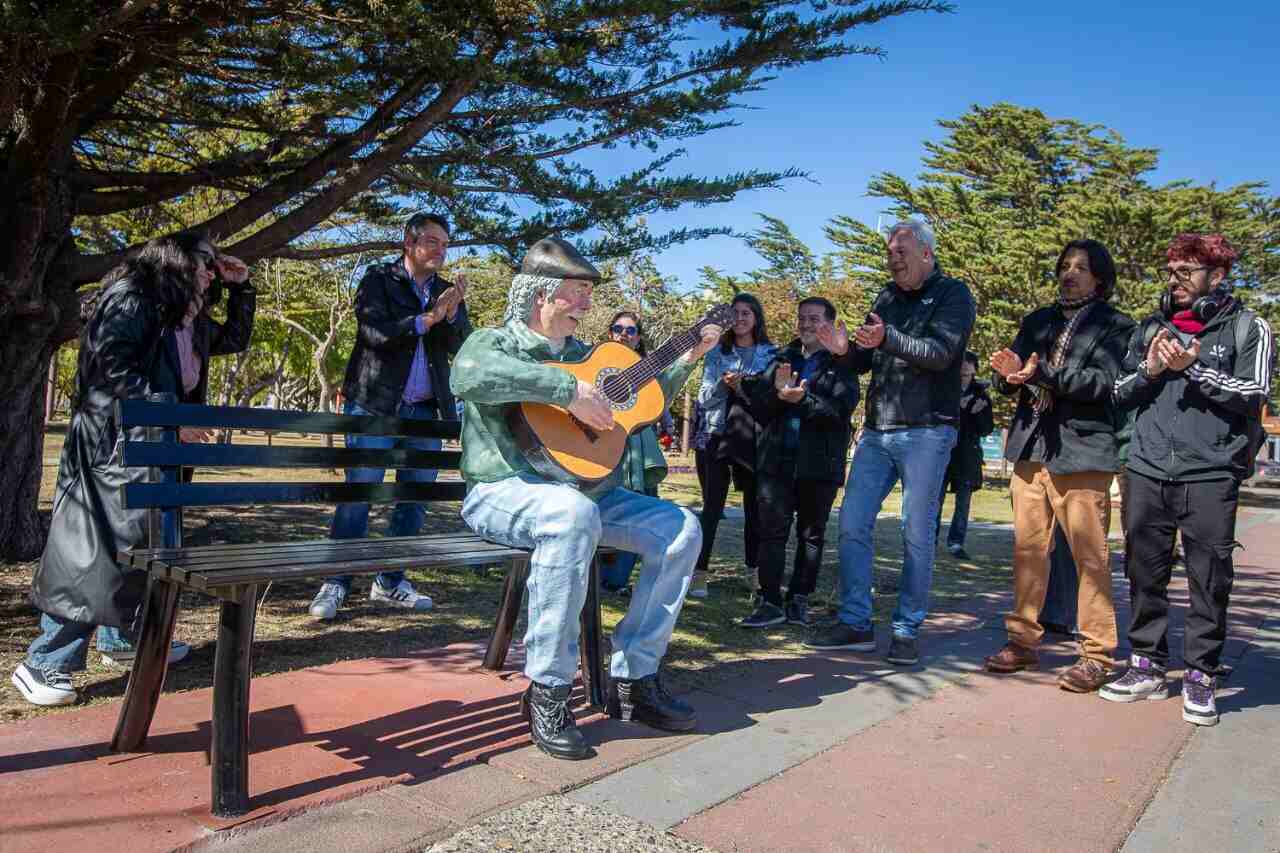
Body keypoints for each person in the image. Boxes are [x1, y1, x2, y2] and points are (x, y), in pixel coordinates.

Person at [451, 237, 720, 760]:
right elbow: (468, 375)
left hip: (585, 494)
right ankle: (548, 690)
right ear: (539, 294)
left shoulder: (586, 357)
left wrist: (686, 358)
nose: (587, 303)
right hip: (501, 489)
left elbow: (638, 400)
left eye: (587, 293)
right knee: (570, 514)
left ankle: (634, 677)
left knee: (681, 528)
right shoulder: (494, 342)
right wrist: (567, 392)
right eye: (576, 291)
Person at [13, 232, 250, 706]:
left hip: (157, 446)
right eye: (205, 261)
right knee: (91, 551)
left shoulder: (185, 314)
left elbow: (235, 338)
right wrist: (167, 415)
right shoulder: (133, 297)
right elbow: (113, 365)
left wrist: (242, 288)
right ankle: (44, 661)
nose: (212, 271)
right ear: (176, 261)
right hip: (112, 443)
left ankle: (120, 637)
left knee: (144, 545)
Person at [1102, 233, 1273, 726]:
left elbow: (1254, 392)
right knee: (1144, 571)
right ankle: (1146, 664)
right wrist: (1153, 369)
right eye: (1170, 271)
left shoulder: (1248, 327)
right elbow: (1119, 391)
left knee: (1209, 577)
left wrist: (1195, 369)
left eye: (1186, 271)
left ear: (1216, 277)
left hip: (1211, 472)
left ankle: (1201, 673)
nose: (1174, 280)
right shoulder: (1150, 328)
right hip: (1147, 467)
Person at [806, 220, 975, 667]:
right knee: (851, 523)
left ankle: (906, 629)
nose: (893, 258)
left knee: (915, 531)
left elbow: (940, 354)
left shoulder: (954, 295)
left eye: (902, 250)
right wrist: (843, 349)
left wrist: (889, 338)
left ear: (926, 254)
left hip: (928, 430)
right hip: (878, 431)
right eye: (889, 251)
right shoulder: (885, 297)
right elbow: (864, 358)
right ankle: (856, 623)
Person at [982, 239, 1135, 693]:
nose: (1070, 273)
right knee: (1028, 550)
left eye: (1081, 268)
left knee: (1090, 556)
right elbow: (1012, 376)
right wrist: (1007, 375)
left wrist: (1041, 374)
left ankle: (1096, 655)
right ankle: (1022, 642)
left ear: (1100, 278)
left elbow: (1103, 384)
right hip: (1032, 448)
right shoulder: (1037, 320)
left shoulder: (1117, 325)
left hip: (1084, 450)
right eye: (1065, 265)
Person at [308, 212, 472, 620]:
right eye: (432, 241)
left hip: (425, 411)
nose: (441, 250)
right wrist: (427, 319)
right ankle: (336, 580)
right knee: (360, 494)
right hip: (374, 405)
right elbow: (374, 333)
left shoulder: (447, 292)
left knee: (414, 499)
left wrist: (452, 315)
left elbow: (460, 345)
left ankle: (390, 580)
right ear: (409, 243)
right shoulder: (379, 280)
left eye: (445, 244)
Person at [739, 298, 858, 628]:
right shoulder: (782, 358)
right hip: (776, 462)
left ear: (829, 324)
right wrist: (777, 395)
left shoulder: (842, 364)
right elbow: (758, 408)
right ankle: (770, 602)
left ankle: (799, 599)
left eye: (814, 319)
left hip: (819, 466)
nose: (806, 324)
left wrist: (803, 399)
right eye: (802, 318)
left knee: (811, 536)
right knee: (770, 533)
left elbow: (839, 412)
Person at [693, 293, 776, 597]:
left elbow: (771, 397)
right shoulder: (717, 352)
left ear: (756, 318)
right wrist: (722, 384)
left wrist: (745, 386)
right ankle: (699, 572)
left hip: (752, 437)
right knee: (712, 507)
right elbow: (703, 398)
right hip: (715, 434)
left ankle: (753, 571)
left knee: (754, 508)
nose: (740, 319)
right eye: (735, 313)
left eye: (746, 313)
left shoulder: (771, 354)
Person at [597, 310, 672, 594]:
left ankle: (617, 580)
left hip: (641, 451)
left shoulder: (648, 369)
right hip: (605, 447)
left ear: (638, 338)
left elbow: (661, 402)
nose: (623, 335)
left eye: (630, 330)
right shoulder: (597, 362)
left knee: (641, 509)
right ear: (610, 333)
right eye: (618, 329)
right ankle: (599, 576)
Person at [935, 351, 994, 560]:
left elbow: (986, 429)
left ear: (975, 370)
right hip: (943, 453)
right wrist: (959, 409)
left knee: (963, 503)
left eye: (969, 365)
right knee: (935, 499)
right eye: (962, 364)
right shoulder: (944, 388)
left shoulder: (981, 396)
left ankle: (956, 543)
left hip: (967, 456)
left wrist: (977, 412)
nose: (965, 369)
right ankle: (930, 539)